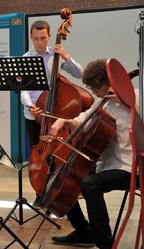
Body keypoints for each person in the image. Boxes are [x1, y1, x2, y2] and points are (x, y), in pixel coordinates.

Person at [48, 59, 144, 248]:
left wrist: (127, 101)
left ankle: (104, 243)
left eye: (96, 88)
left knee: (90, 184)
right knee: (64, 178)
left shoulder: (138, 96)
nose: (94, 92)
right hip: (106, 167)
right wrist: (63, 122)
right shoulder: (102, 103)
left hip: (131, 168)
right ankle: (84, 231)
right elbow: (81, 120)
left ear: (110, 82)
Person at [21, 20, 84, 206]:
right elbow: (23, 89)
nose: (39, 42)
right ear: (31, 38)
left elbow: (79, 74)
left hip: (55, 115)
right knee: (38, 155)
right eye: (35, 39)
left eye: (43, 38)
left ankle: (58, 191)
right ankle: (40, 191)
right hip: (33, 114)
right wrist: (31, 105)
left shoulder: (55, 55)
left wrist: (66, 56)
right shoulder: (26, 58)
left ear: (49, 36)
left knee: (58, 155)